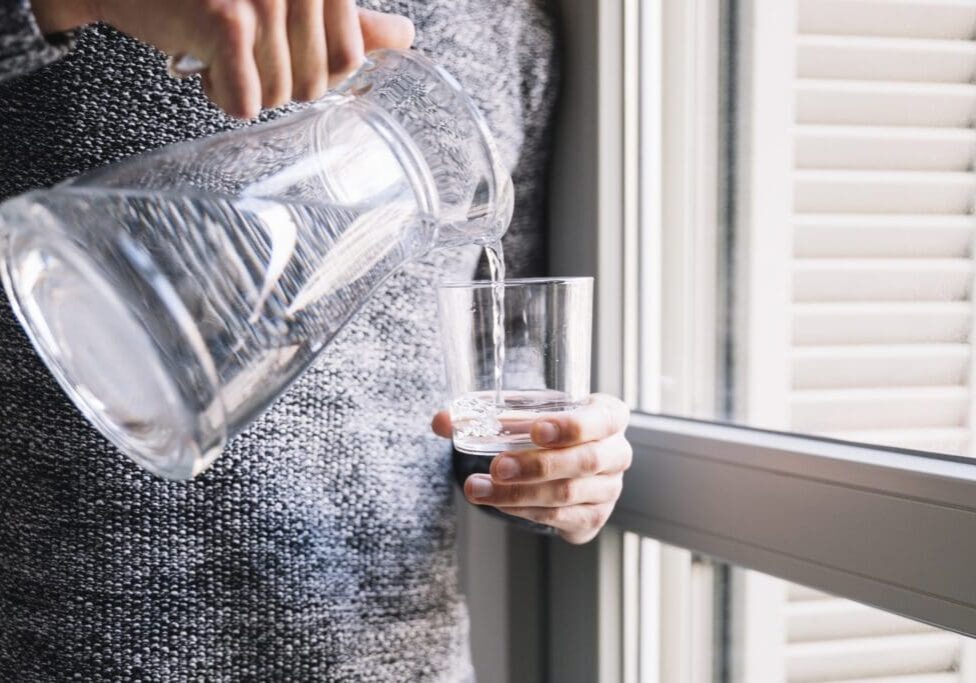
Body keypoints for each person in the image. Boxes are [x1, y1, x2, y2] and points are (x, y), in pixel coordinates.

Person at [0, 0, 632, 680]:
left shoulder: (510, 25)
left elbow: (500, 338)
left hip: (383, 654)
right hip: (62, 642)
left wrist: (550, 462)